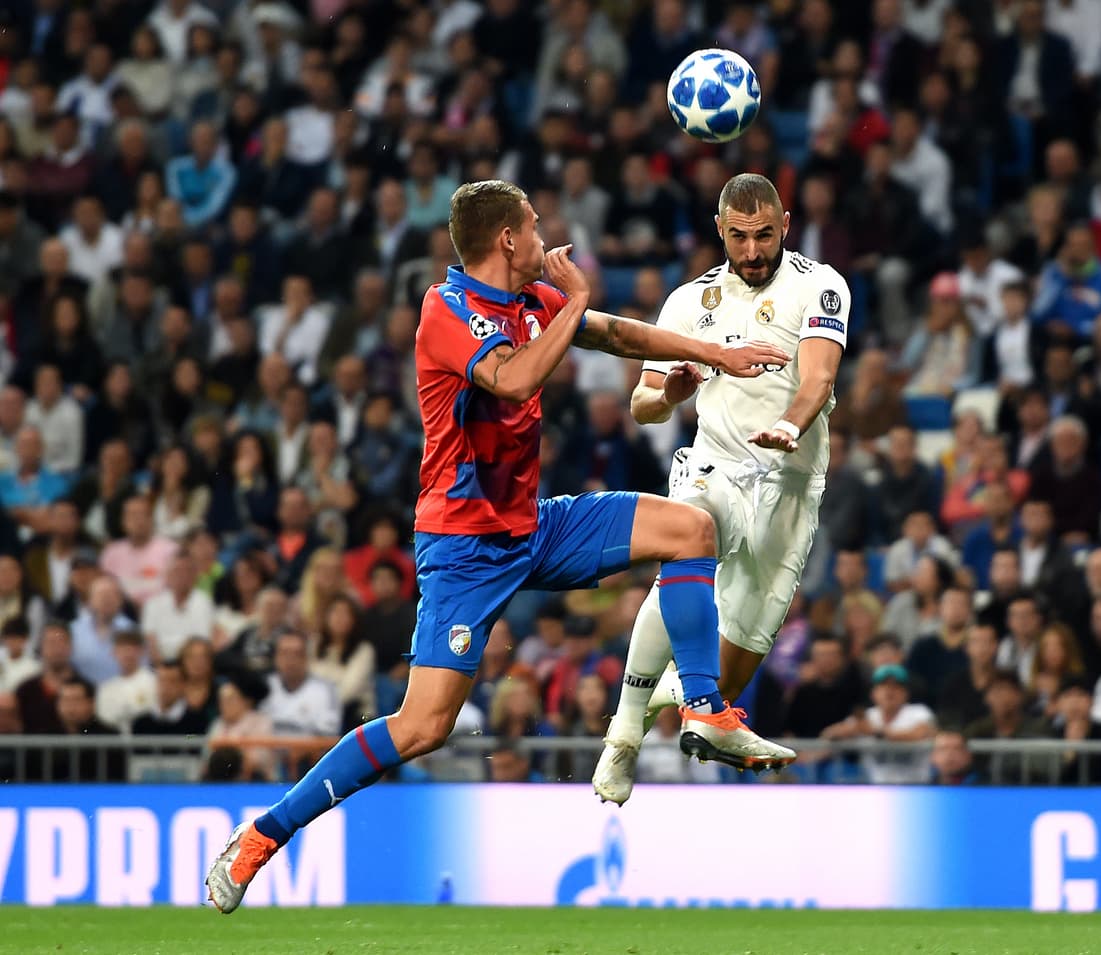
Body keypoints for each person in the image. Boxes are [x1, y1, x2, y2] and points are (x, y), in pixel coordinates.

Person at [206, 179, 794, 912]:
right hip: (464, 546)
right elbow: (513, 381)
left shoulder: (531, 302)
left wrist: (714, 353)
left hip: (532, 523)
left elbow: (614, 334)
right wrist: (574, 299)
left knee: (691, 528)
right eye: (535, 223)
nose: (546, 232)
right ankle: (261, 836)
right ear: (507, 239)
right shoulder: (445, 311)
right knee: (423, 726)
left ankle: (704, 706)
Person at [588, 173, 849, 803]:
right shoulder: (687, 302)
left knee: (723, 682)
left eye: (764, 235)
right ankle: (623, 735)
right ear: (720, 232)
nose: (753, 251)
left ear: (785, 226)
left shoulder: (820, 285)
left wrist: (790, 423)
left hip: (788, 484)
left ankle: (680, 705)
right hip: (714, 466)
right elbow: (643, 404)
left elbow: (817, 376)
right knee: (685, 546)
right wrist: (669, 393)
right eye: (740, 237)